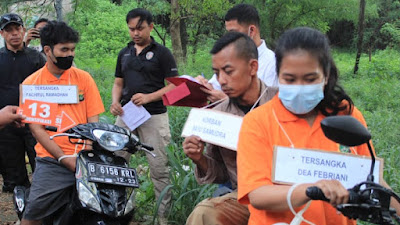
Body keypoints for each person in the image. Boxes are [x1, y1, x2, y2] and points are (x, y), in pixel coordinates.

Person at [236, 27, 400, 225]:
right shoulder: (258, 122)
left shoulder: (346, 114)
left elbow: (371, 179)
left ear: (326, 76)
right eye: (289, 79)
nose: (299, 87)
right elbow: (257, 194)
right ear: (277, 75)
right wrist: (311, 190)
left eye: (310, 79)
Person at [183, 32, 278, 225]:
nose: (222, 80)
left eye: (228, 71)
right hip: (245, 199)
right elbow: (222, 174)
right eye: (217, 73)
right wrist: (199, 158)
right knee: (204, 213)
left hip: (288, 196)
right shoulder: (218, 115)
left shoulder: (281, 103)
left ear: (253, 67)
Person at [20, 21, 104, 225]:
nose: (70, 54)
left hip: (85, 157)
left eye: (73, 49)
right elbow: (36, 128)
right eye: (64, 49)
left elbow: (93, 120)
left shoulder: (84, 79)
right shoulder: (32, 84)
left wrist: (86, 154)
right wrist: (64, 158)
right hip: (52, 160)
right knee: (31, 218)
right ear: (47, 50)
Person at [110, 8, 178, 224]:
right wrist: (114, 102)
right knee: (115, 161)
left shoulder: (163, 53)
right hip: (127, 114)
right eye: (131, 29)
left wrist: (149, 97)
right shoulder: (125, 53)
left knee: (159, 167)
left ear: (151, 26)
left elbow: (174, 86)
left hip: (154, 116)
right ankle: (116, 210)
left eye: (139, 28)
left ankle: (162, 217)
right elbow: (118, 82)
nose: (135, 33)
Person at [0, 13, 46, 192]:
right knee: (14, 176)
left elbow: (48, 86)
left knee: (41, 167)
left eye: (17, 29)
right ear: (2, 33)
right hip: (6, 125)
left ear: (23, 30)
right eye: (9, 30)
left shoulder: (36, 58)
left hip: (34, 123)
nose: (14, 34)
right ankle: (23, 210)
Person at [197, 3, 278, 103]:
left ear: (251, 31)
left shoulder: (273, 63)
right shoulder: (228, 57)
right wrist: (201, 85)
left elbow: (269, 105)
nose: (222, 80)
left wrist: (227, 102)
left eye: (233, 32)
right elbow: (214, 87)